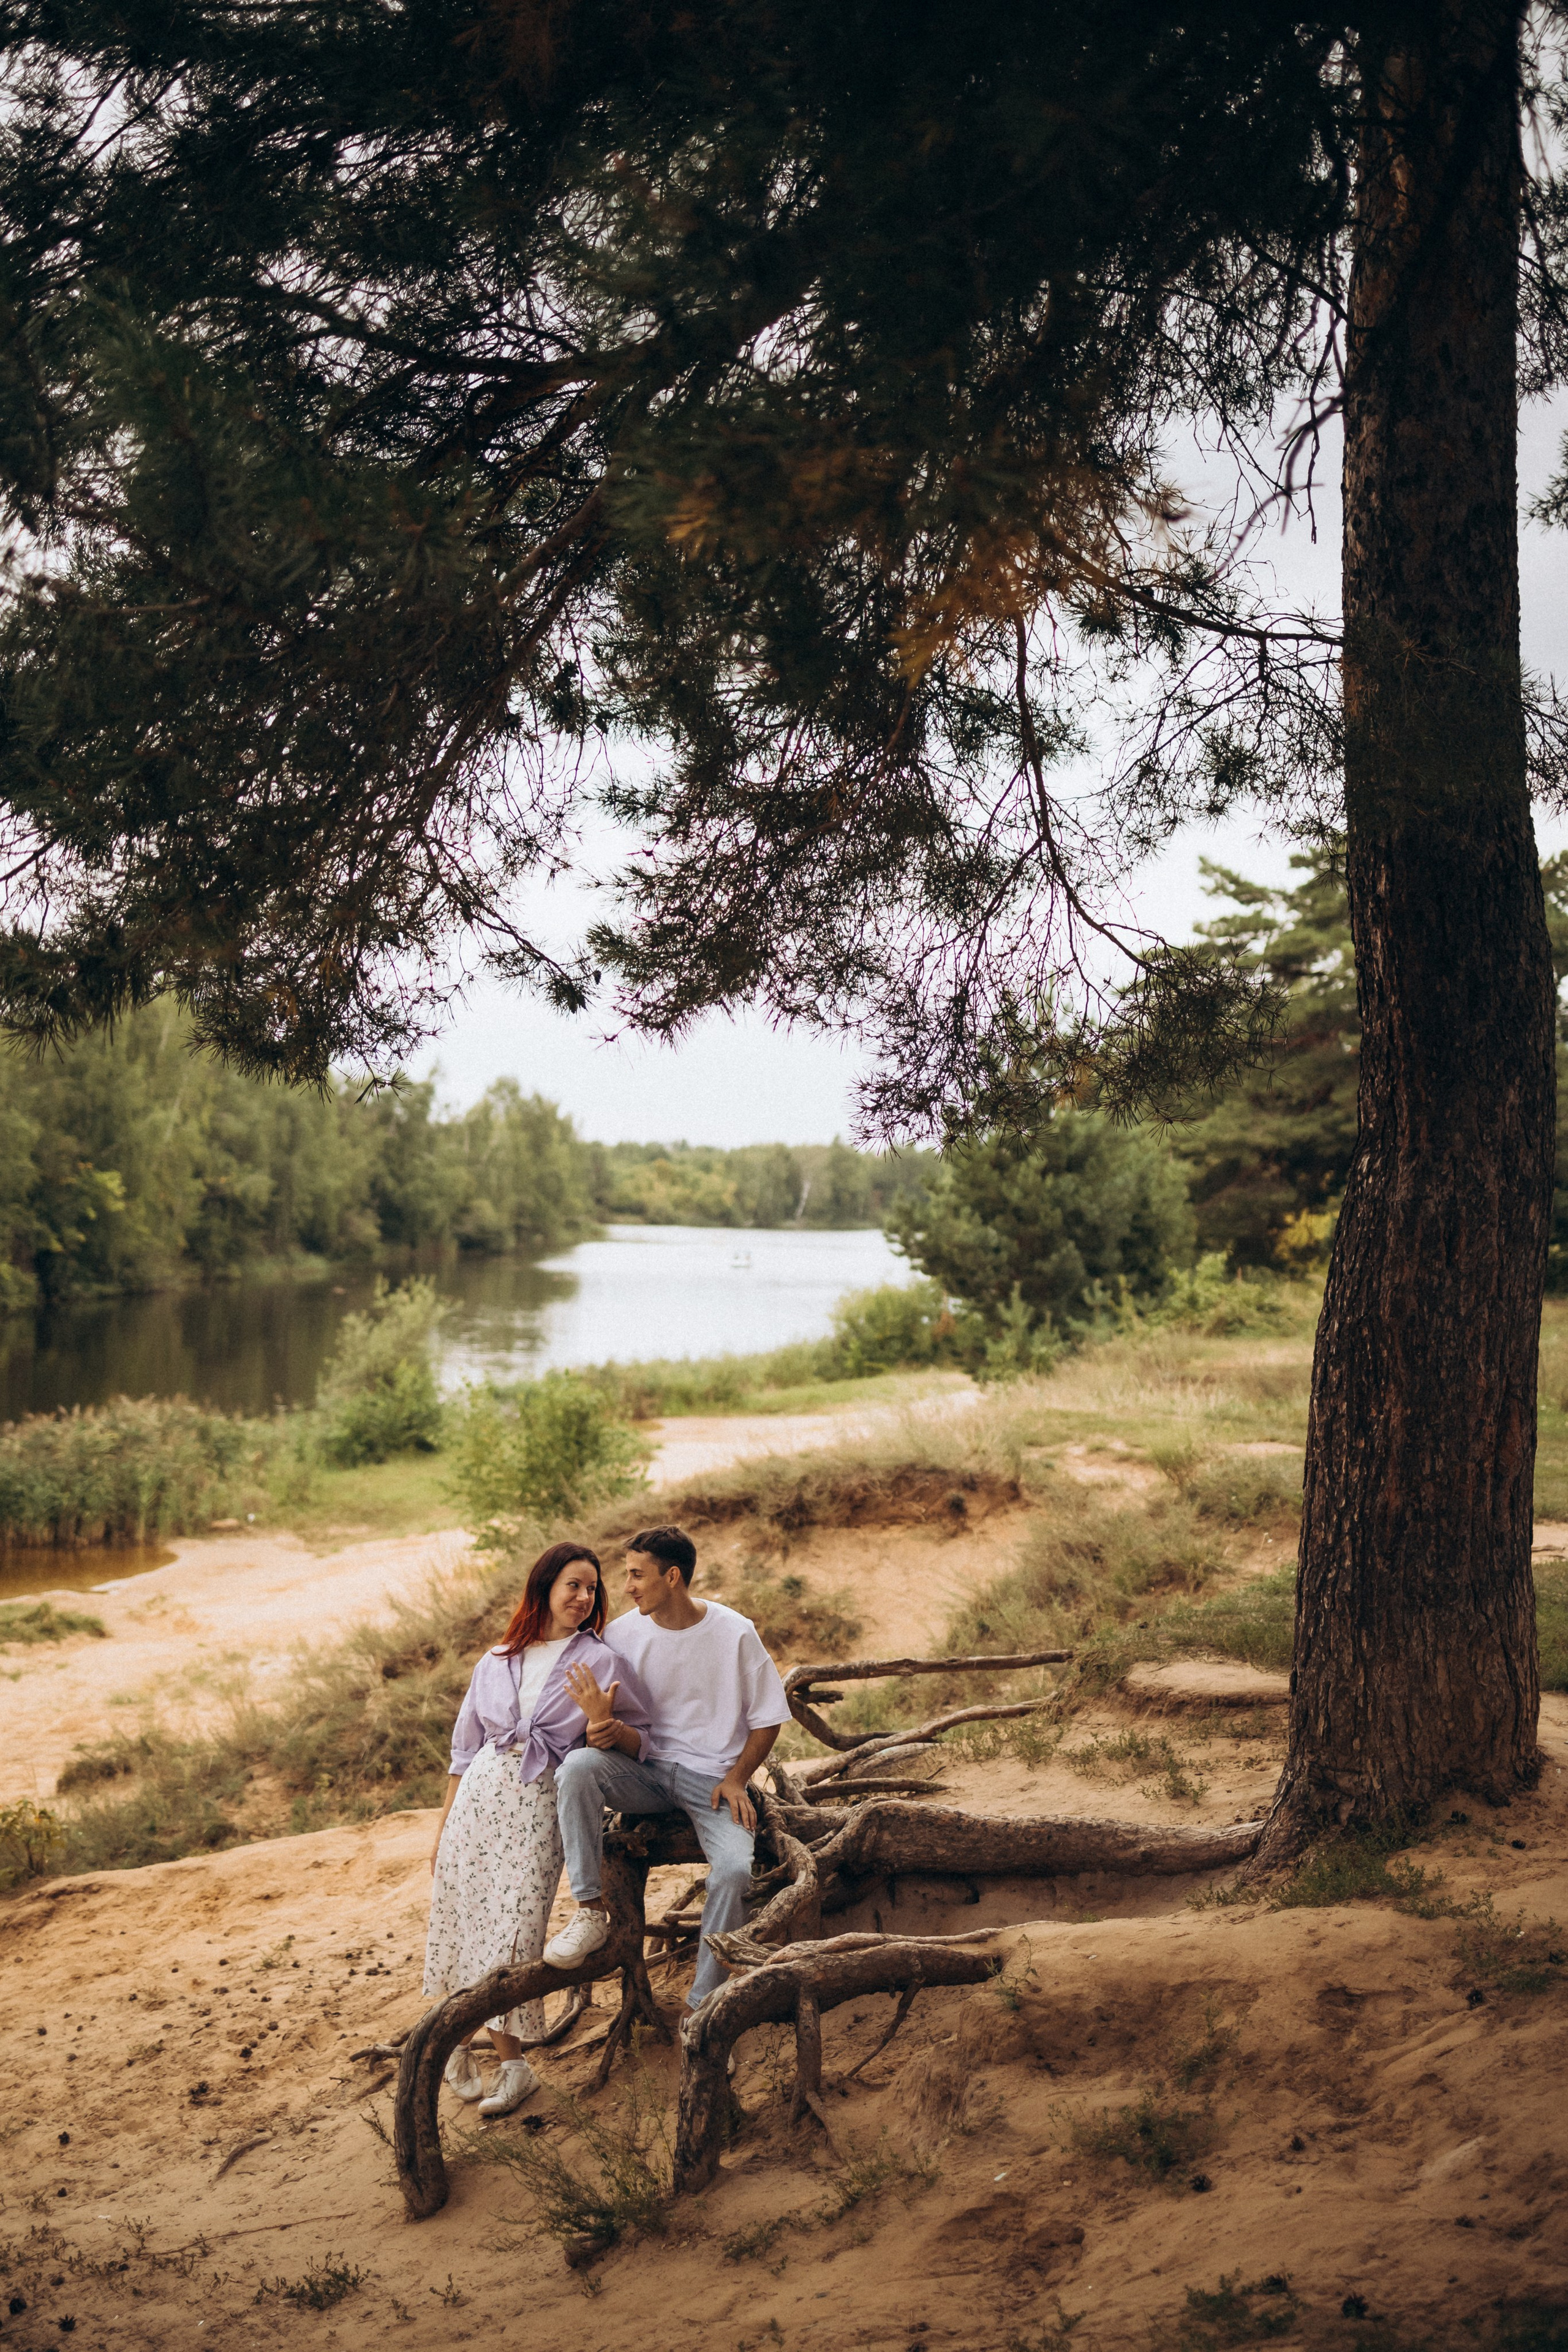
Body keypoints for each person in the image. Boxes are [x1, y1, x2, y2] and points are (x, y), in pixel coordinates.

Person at [423, 1540, 654, 2116]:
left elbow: (637, 1734)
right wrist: (442, 1829)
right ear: (545, 1587)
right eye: (572, 1585)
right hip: (479, 1801)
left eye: (592, 1588)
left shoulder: (600, 1660)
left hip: (541, 1804)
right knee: (464, 1916)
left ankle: (514, 2066)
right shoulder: (496, 1659)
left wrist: (604, 1726)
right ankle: (458, 2042)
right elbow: (462, 1752)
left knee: (516, 1928)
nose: (583, 1597)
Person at [544, 1524, 792, 2007]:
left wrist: (738, 1778)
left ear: (673, 1576)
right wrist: (602, 1731)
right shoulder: (620, 1634)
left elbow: (769, 1718)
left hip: (713, 1783)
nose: (628, 1586)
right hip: (644, 1771)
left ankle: (705, 2005)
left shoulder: (735, 1632)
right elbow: (607, 1716)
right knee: (577, 1768)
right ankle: (590, 1911)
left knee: (735, 1872)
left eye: (637, 1575)